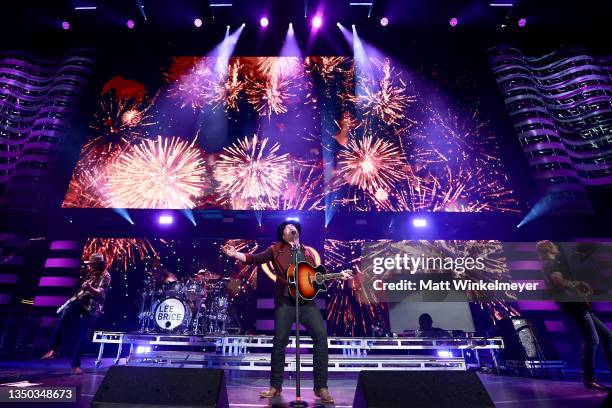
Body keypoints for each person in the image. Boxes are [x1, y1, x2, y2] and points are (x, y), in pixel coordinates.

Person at [221, 220, 347, 404]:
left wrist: (335, 277)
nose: (290, 229)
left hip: (306, 303)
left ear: (297, 233)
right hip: (285, 302)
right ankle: (275, 386)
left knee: (321, 337)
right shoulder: (275, 249)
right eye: (286, 228)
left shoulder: (307, 253)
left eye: (292, 227)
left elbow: (314, 280)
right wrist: (235, 254)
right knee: (279, 341)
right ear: (283, 235)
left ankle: (321, 387)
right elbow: (255, 259)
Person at [537, 240, 611, 391]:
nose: (557, 247)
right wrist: (577, 283)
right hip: (573, 304)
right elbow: (559, 282)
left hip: (576, 303)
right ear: (549, 249)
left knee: (606, 335)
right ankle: (589, 378)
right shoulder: (551, 265)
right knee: (592, 339)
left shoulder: (551, 263)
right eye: (554, 245)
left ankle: (590, 377)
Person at [41, 253, 111, 374]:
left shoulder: (106, 276)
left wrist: (89, 288)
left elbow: (99, 293)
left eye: (93, 265)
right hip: (80, 303)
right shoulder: (91, 273)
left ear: (99, 264)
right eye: (91, 265)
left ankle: (75, 365)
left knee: (84, 335)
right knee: (65, 313)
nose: (91, 267)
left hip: (92, 308)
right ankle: (52, 349)